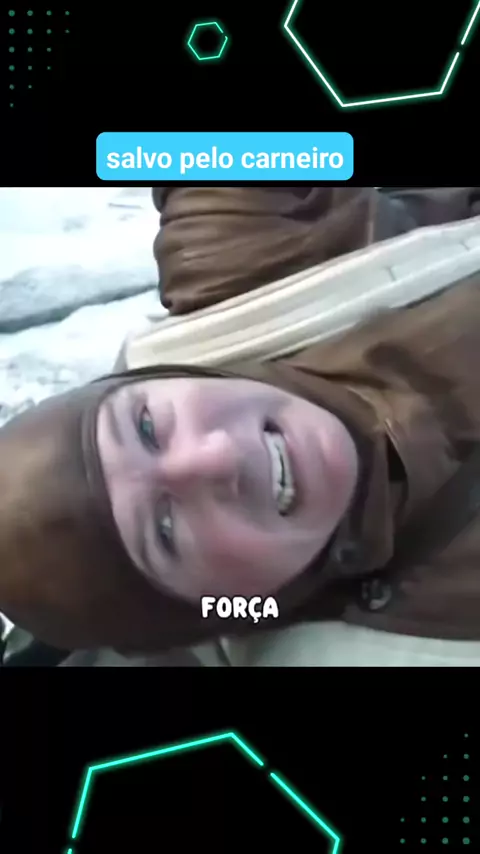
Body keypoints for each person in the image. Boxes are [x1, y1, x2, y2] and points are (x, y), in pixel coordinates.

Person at [2, 186, 480, 665]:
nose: (218, 455)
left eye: (146, 427)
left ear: (159, 376)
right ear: (221, 611)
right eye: (165, 531)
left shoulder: (237, 291)